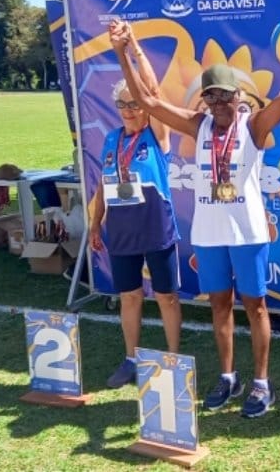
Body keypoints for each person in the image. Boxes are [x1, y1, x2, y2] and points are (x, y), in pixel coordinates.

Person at [109, 15, 280, 417]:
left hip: (247, 234)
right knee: (218, 306)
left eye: (224, 96)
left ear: (238, 97)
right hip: (210, 234)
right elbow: (148, 102)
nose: (217, 104)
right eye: (210, 96)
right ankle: (228, 377)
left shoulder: (254, 126)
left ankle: (262, 383)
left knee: (257, 308)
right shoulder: (198, 127)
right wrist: (121, 52)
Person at [90, 27, 182, 389]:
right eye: (123, 105)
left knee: (166, 296)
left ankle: (173, 357)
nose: (129, 110)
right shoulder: (112, 139)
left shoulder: (157, 133)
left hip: (155, 225)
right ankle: (131, 358)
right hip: (122, 229)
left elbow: (154, 93)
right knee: (129, 295)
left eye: (135, 104)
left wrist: (132, 48)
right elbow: (102, 182)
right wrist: (96, 223)